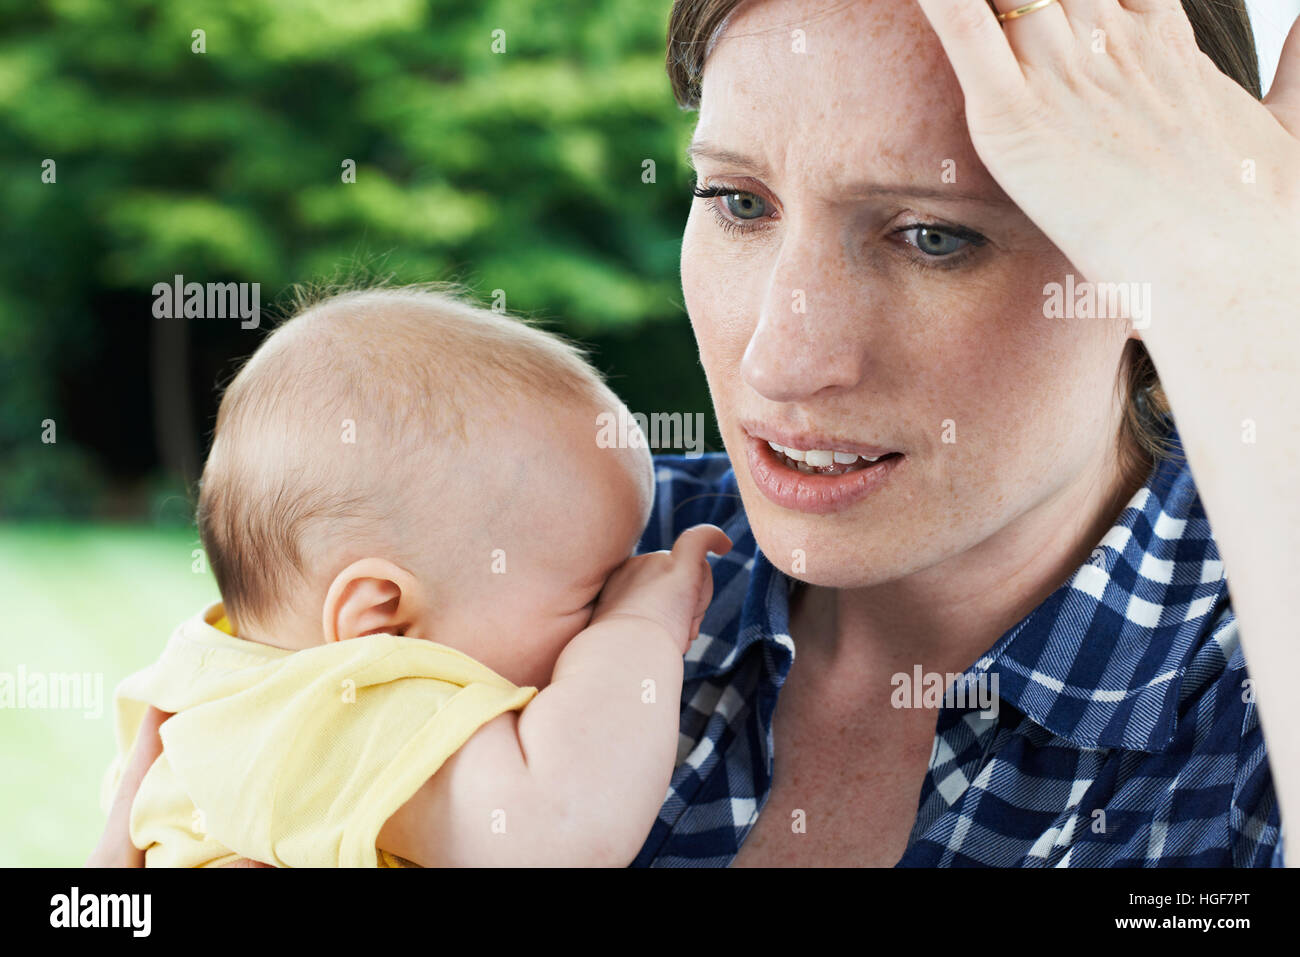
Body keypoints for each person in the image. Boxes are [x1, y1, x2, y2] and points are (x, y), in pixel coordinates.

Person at [93, 0, 1300, 867]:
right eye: (736, 201)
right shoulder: (547, 539)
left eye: (933, 235)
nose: (782, 355)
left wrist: (1252, 278)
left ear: (1147, 277)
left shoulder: (1243, 686)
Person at [98, 285, 729, 866]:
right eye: (595, 594)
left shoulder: (229, 688)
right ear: (383, 619)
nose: (621, 593)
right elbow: (568, 828)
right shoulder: (342, 709)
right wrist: (639, 625)